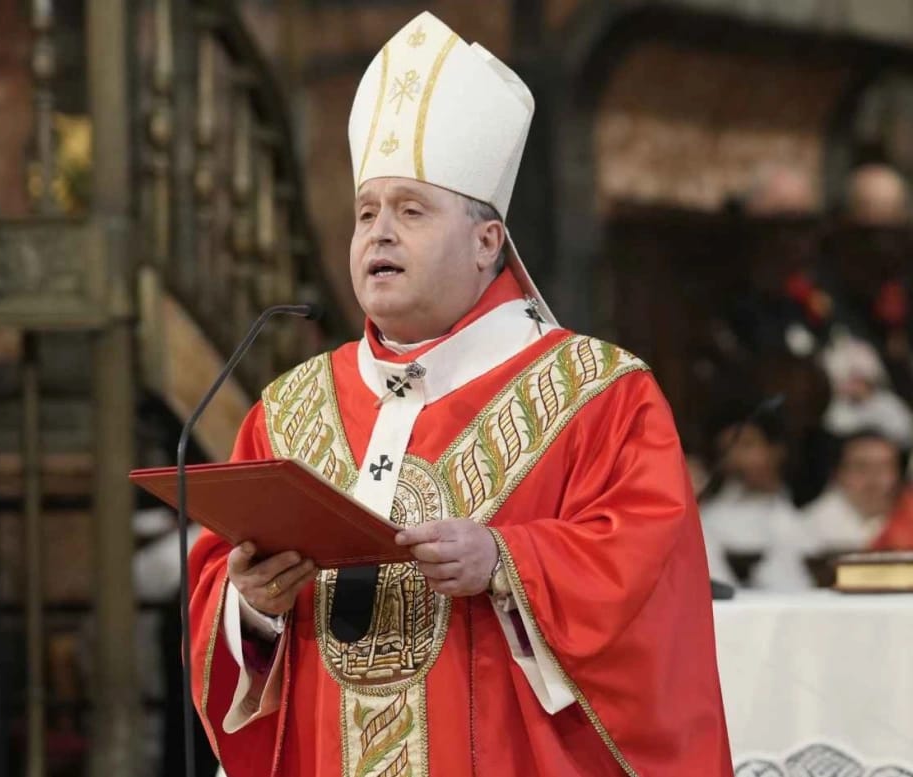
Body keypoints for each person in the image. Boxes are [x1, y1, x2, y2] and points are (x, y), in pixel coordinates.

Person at [188, 11, 731, 776]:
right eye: (367, 211)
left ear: (486, 242)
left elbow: (649, 586)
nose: (379, 233)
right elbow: (220, 599)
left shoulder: (599, 396)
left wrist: (507, 559)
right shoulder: (286, 412)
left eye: (412, 210)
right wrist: (250, 603)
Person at [700, 403, 813, 590]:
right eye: (726, 451)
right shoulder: (711, 520)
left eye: (747, 445)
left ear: (777, 449)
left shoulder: (807, 507)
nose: (735, 458)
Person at [803, 429, 913, 559]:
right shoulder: (809, 528)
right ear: (837, 474)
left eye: (884, 467)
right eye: (861, 467)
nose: (873, 479)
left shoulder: (908, 513)